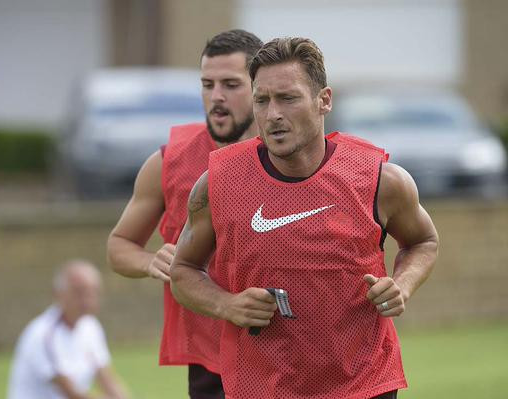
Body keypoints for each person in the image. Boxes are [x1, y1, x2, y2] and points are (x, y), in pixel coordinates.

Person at [170, 37, 439, 399]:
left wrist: (402, 285)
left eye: (288, 98)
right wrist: (227, 304)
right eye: (261, 100)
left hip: (363, 383)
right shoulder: (218, 182)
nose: (272, 114)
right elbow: (183, 270)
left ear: (324, 100)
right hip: (261, 386)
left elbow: (423, 242)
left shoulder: (379, 180)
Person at [106, 30, 263, 398]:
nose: (217, 97)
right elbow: (118, 246)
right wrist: (149, 261)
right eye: (207, 85)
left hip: (282, 348)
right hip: (210, 358)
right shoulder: (168, 161)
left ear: (259, 87)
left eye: (231, 84)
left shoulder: (292, 157)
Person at [7, 260, 129, 399]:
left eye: (93, 292)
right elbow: (72, 393)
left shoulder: (91, 326)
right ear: (58, 293)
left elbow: (106, 377)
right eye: (79, 292)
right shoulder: (43, 335)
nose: (88, 300)